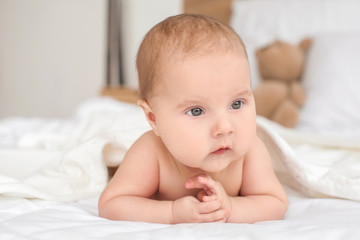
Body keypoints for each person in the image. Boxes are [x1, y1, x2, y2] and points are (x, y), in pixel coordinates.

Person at [98, 14, 288, 224]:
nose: (224, 127)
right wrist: (171, 213)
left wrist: (231, 208)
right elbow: (111, 204)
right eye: (196, 111)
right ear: (153, 118)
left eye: (236, 104)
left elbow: (275, 202)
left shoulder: (250, 150)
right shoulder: (151, 152)